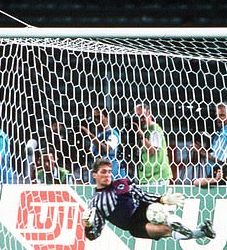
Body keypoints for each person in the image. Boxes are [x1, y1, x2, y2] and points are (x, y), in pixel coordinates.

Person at [82, 158, 215, 241]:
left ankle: (174, 222)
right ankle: (202, 232)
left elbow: (142, 194)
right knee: (166, 231)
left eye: (109, 171)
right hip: (133, 226)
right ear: (94, 175)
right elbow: (94, 235)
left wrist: (163, 199)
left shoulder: (120, 184)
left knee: (160, 214)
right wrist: (88, 226)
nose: (107, 175)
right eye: (103, 172)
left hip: (144, 209)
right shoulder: (94, 203)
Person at [80, 107, 125, 181]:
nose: (96, 120)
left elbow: (106, 150)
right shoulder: (98, 136)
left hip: (112, 177)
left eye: (98, 117)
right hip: (98, 176)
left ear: (106, 117)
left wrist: (90, 134)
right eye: (94, 117)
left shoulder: (113, 134)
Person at [133, 103, 172, 185]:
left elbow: (151, 151)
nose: (140, 120)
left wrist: (141, 136)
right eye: (137, 117)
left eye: (142, 117)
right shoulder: (144, 130)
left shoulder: (155, 130)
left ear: (149, 116)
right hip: (147, 176)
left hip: (157, 177)